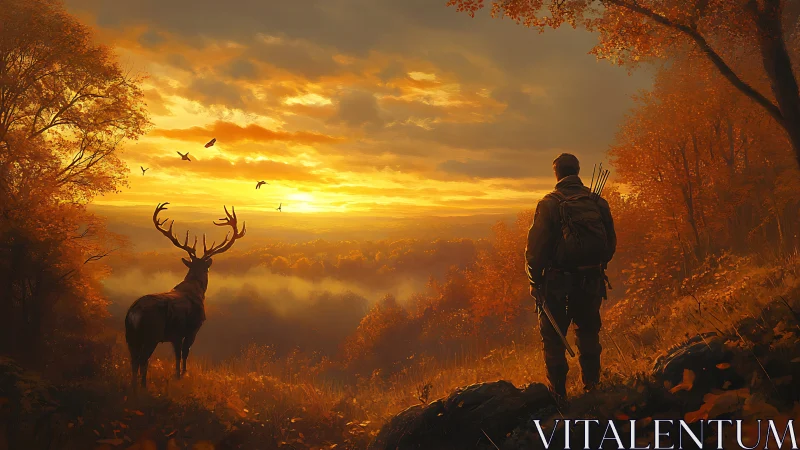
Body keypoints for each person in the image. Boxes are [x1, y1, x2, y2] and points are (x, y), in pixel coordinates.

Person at [525, 153, 616, 399]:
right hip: (591, 280)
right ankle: (593, 390)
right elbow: (610, 245)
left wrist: (534, 281)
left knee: (553, 340)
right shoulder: (597, 202)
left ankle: (559, 397)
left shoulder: (549, 204)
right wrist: (594, 267)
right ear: (577, 170)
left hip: (557, 284)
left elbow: (535, 250)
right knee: (588, 332)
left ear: (557, 174)